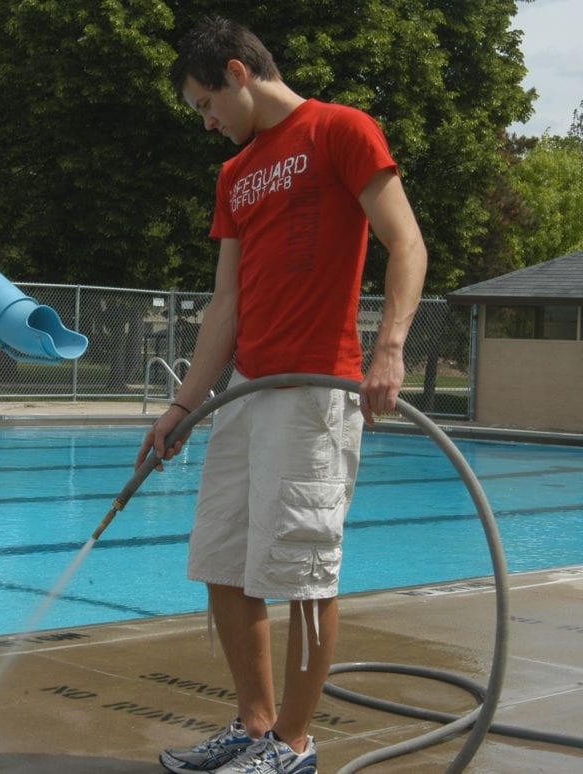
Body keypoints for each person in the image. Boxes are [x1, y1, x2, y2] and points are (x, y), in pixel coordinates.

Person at [136, 16, 427, 774]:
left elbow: (407, 243)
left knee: (301, 571)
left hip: (314, 389)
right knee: (223, 563)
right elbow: (225, 305)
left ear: (237, 73)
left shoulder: (341, 129)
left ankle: (294, 747)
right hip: (242, 393)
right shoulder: (234, 175)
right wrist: (180, 409)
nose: (206, 123)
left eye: (205, 104)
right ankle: (256, 727)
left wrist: (390, 348)